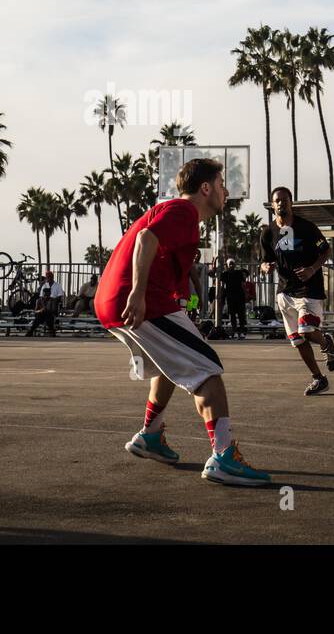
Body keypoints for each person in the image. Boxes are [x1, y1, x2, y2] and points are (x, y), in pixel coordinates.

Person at [97, 157, 270, 487]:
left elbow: (169, 267)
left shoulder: (183, 218)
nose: (225, 191)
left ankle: (150, 435)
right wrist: (137, 293)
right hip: (138, 301)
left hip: (120, 300)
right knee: (207, 369)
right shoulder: (183, 211)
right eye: (221, 185)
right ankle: (224, 457)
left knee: (168, 366)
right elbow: (146, 238)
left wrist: (183, 305)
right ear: (205, 188)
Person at [260, 185, 334, 396]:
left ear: (291, 203)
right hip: (285, 292)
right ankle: (319, 379)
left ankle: (326, 342)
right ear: (272, 205)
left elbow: (326, 251)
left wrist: (312, 269)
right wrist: (266, 267)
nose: (281, 203)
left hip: (309, 289)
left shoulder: (307, 228)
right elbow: (265, 260)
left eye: (284, 200)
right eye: (277, 201)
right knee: (297, 340)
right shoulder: (268, 233)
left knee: (306, 330)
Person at [217, 258, 249, 340]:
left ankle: (241, 332)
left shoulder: (239, 273)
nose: (231, 265)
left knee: (241, 315)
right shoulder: (225, 274)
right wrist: (220, 295)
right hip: (230, 296)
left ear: (235, 265)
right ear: (227, 265)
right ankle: (234, 331)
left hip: (240, 296)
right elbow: (222, 285)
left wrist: (246, 294)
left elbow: (243, 284)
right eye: (230, 264)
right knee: (232, 315)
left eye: (232, 264)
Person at [27, 271, 65, 337]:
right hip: (45, 308)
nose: (48, 278)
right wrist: (44, 300)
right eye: (47, 277)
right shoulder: (44, 285)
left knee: (44, 315)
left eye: (50, 277)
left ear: (52, 277)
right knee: (44, 316)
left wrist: (51, 299)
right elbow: (41, 297)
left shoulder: (58, 286)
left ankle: (31, 331)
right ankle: (51, 332)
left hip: (53, 307)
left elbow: (60, 297)